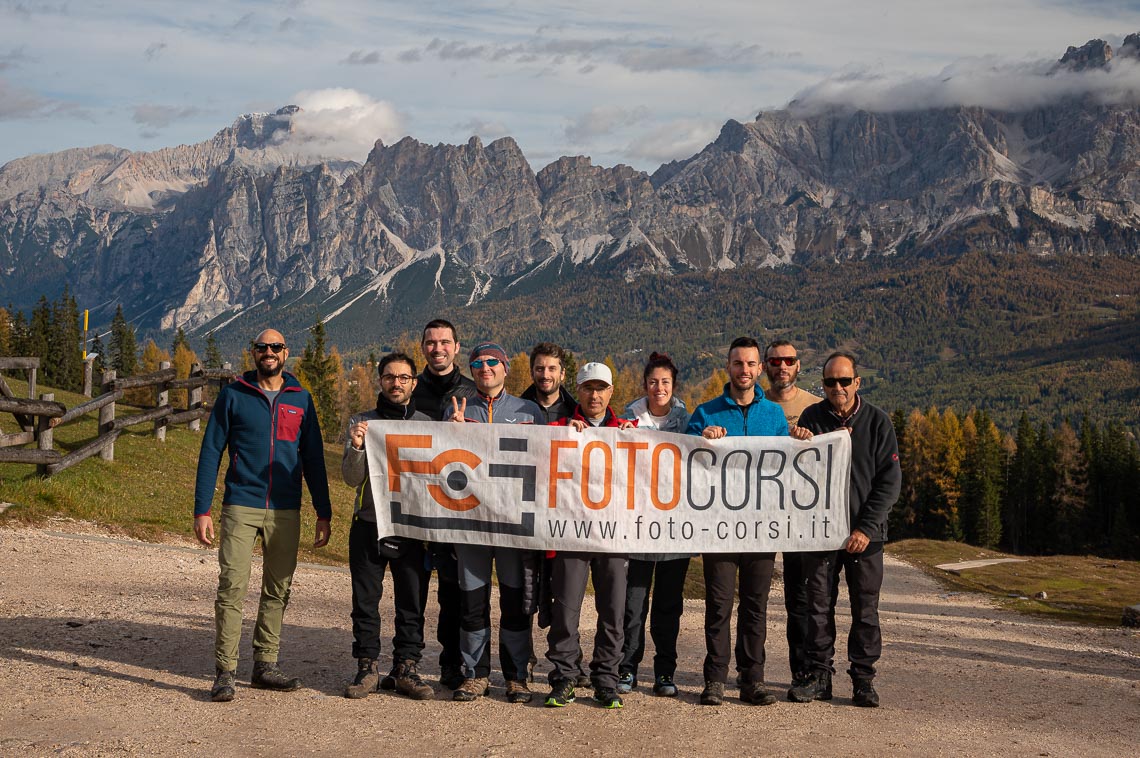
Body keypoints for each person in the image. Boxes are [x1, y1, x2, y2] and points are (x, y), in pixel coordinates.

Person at [193, 329, 331, 703]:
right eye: (261, 347)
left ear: (287, 353)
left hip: (286, 508)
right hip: (241, 504)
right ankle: (225, 671)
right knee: (232, 587)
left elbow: (315, 458)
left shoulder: (301, 398)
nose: (268, 352)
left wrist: (324, 512)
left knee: (278, 589)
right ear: (253, 353)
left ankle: (265, 664)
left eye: (275, 347)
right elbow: (211, 452)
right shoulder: (234, 394)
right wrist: (202, 509)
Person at [685, 336, 800, 707]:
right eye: (739, 363)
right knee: (718, 605)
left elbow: (787, 466)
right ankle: (715, 679)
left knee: (755, 605)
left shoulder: (775, 416)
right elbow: (680, 453)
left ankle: (753, 679)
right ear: (728, 366)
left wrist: (803, 443)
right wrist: (701, 438)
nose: (745, 370)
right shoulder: (706, 412)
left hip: (761, 527)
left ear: (759, 368)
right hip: (718, 526)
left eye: (751, 364)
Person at [789, 351, 900, 708]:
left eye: (844, 381)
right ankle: (819, 676)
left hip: (865, 537)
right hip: (821, 532)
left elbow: (889, 481)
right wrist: (796, 441)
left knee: (865, 609)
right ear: (822, 385)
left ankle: (863, 680)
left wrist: (866, 528)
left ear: (857, 382)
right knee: (817, 607)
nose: (837, 387)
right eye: (829, 382)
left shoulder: (878, 423)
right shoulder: (812, 418)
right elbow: (795, 474)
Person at [447, 342, 546, 703]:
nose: (484, 368)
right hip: (470, 524)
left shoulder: (528, 410)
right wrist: (451, 432)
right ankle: (475, 675)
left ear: (506, 368)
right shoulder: (457, 409)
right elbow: (441, 462)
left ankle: (516, 676)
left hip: (512, 525)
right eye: (476, 363)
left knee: (515, 602)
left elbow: (548, 464)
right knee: (473, 602)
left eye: (492, 362)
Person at [341, 352, 434, 701]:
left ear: (414, 382)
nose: (397, 383)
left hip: (411, 527)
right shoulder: (362, 422)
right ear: (380, 381)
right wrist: (356, 446)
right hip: (369, 523)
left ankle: (406, 667)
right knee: (365, 600)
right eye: (390, 377)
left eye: (404, 377)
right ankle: (367, 667)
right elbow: (350, 479)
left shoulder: (427, 423)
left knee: (412, 601)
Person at [545, 362, 636, 710]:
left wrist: (633, 436)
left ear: (611, 392)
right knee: (565, 612)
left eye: (601, 388)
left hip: (613, 535)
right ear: (578, 391)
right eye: (587, 388)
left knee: (612, 610)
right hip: (571, 533)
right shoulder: (561, 427)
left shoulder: (627, 430)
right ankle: (565, 677)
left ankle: (606, 680)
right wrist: (561, 434)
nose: (594, 395)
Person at [617, 352, 691, 697]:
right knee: (633, 606)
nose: (658, 388)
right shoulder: (629, 417)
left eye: (665, 382)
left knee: (668, 606)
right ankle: (627, 668)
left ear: (673, 386)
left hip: (675, 529)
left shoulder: (685, 418)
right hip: (638, 527)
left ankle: (664, 673)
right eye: (652, 382)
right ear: (644, 384)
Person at [410, 318, 478, 691]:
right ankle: (408, 661)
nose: (438, 348)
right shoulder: (410, 388)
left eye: (445, 342)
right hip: (417, 503)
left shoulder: (471, 390)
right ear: (423, 347)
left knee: (453, 591)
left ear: (456, 347)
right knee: (412, 588)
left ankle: (452, 662)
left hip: (457, 507)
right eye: (431, 342)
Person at [763, 339, 819, 693]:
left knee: (801, 599)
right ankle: (751, 669)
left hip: (800, 518)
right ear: (765, 366)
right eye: (775, 360)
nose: (782, 366)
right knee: (754, 598)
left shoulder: (815, 407)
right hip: (758, 516)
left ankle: (804, 671)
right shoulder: (755, 405)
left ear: (798, 366)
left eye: (789, 360)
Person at [520, 342, 576, 424]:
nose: (545, 375)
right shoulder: (516, 412)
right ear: (532, 373)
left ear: (562, 374)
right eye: (540, 369)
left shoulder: (575, 413)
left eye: (552, 369)